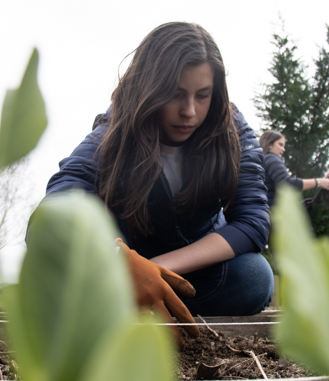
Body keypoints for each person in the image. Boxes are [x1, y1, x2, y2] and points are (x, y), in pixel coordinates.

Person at [41, 22, 274, 322]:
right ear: (148, 89)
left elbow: (253, 222)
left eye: (202, 95)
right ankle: (128, 303)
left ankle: (134, 306)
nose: (189, 111)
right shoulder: (115, 130)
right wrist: (120, 261)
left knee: (254, 277)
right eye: (175, 94)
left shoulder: (232, 130)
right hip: (120, 267)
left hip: (194, 272)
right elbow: (55, 209)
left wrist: (152, 270)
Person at [259, 130, 329, 207]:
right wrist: (319, 182)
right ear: (269, 144)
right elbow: (287, 185)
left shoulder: (261, 162)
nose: (283, 149)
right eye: (280, 145)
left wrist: (324, 182)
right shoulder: (272, 158)